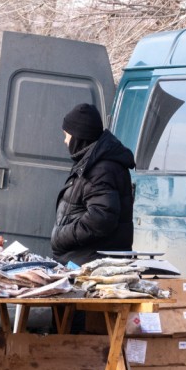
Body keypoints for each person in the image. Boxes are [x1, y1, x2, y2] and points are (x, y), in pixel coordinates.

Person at [50, 103, 135, 266]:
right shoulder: (93, 163)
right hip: (84, 260)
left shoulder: (101, 169)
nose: (65, 141)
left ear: (78, 135)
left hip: (90, 264)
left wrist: (61, 236)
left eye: (67, 135)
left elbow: (101, 218)